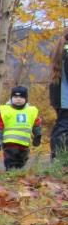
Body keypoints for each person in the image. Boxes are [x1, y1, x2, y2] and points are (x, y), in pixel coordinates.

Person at [0, 86, 42, 170]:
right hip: (10, 142)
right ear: (11, 98)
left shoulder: (31, 111)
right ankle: (10, 171)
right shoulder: (5, 110)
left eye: (21, 97)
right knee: (10, 160)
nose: (18, 99)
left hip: (24, 144)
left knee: (22, 160)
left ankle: (18, 173)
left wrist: (37, 135)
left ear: (26, 99)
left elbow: (36, 124)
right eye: (15, 97)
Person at [49, 30, 68, 160]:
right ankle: (57, 159)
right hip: (65, 98)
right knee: (63, 127)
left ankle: (59, 157)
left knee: (62, 126)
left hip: (60, 97)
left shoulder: (63, 49)